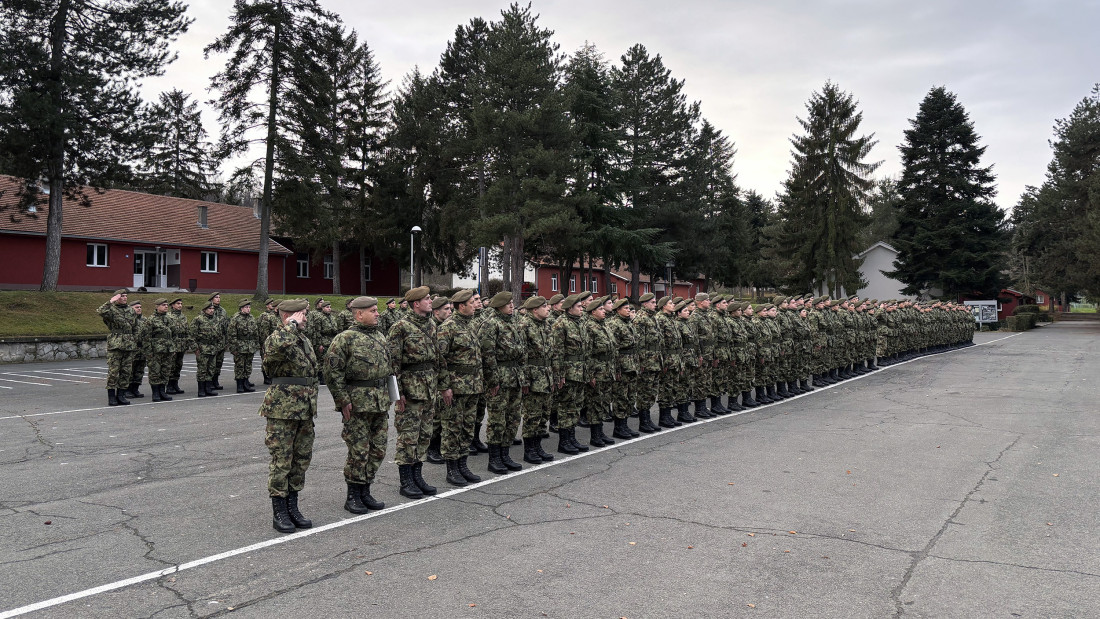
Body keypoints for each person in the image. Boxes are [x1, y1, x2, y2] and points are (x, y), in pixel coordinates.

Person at [325, 296, 391, 513]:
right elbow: (333, 373)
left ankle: (366, 489)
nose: (377, 313)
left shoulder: (381, 336)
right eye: (373, 310)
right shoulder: (345, 339)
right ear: (359, 314)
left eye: (377, 310)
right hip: (358, 405)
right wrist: (342, 401)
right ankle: (353, 494)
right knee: (358, 451)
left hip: (380, 403)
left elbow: (388, 371)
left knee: (378, 449)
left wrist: (393, 396)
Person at [260, 298, 318, 533]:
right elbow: (274, 349)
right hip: (282, 410)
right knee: (281, 461)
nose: (307, 317)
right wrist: (290, 325)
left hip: (304, 409)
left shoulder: (302, 339)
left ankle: (293, 506)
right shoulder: (278, 337)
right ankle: (279, 511)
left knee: (300, 460)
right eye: (303, 314)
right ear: (289, 317)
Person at [388, 286, 441, 499]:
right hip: (410, 390)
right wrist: (397, 393)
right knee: (408, 436)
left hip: (429, 388)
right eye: (427, 299)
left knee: (424, 435)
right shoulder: (400, 327)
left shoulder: (430, 325)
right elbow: (393, 363)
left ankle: (418, 476)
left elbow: (437, 358)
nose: (431, 301)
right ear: (416, 303)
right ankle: (406, 480)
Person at [435, 289, 485, 486]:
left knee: (467, 427)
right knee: (452, 428)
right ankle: (452, 469)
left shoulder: (471, 324)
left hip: (473, 386)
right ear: (461, 306)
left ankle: (463, 465)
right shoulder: (448, 327)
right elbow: (440, 360)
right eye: (472, 302)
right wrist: (445, 387)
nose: (475, 305)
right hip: (455, 387)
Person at [479, 291, 528, 473]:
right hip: (500, 376)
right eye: (508, 304)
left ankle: (505, 454)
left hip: (514, 376)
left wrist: (522, 376)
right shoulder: (491, 324)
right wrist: (492, 381)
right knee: (497, 419)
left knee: (513, 418)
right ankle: (494, 458)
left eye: (512, 303)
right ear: (499, 305)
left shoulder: (513, 322)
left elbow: (522, 351)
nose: (512, 306)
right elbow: (487, 355)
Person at [550, 294, 589, 454]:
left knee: (576, 405)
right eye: (579, 306)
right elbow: (557, 352)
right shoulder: (561, 324)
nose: (582, 309)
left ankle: (572, 438)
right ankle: (564, 441)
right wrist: (559, 374)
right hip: (568, 372)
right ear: (570, 308)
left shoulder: (579, 323)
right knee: (566, 406)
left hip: (580, 371)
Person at [518, 296, 555, 464]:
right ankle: (529, 450)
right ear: (535, 310)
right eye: (544, 306)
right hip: (533, 377)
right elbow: (522, 356)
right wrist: (524, 380)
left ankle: (538, 446)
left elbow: (553, 352)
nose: (548, 308)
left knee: (543, 414)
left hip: (546, 375)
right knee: (532, 415)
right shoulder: (524, 326)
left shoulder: (546, 325)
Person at [583, 296, 618, 447]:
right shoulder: (589, 327)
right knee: (595, 403)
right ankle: (595, 436)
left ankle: (600, 432)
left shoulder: (604, 325)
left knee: (603, 402)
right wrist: (590, 374)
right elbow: (587, 353)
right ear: (592, 312)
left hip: (606, 369)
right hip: (596, 371)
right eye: (601, 309)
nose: (604, 311)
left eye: (604, 309)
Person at [425, 296, 454, 464]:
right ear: (436, 311)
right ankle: (432, 448)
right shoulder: (432, 327)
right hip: (433, 378)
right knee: (435, 415)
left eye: (450, 309)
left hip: (445, 375)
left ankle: (440, 446)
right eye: (446, 309)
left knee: (444, 414)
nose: (449, 312)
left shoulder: (444, 326)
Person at [97, 289, 136, 406]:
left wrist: (136, 340)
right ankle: (111, 396)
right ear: (116, 297)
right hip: (116, 344)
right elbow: (101, 311)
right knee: (114, 371)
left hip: (129, 343)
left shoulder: (130, 310)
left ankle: (121, 395)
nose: (124, 298)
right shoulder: (111, 309)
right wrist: (110, 301)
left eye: (125, 296)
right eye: (122, 296)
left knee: (126, 371)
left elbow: (135, 326)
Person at [139, 298, 175, 402]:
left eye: (167, 305)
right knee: (155, 372)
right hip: (155, 351)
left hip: (167, 350)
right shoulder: (151, 320)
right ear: (157, 306)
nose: (166, 307)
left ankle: (162, 391)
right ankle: (155, 393)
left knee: (165, 371)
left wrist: (172, 348)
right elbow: (145, 337)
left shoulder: (169, 319)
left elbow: (173, 334)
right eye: (163, 305)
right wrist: (149, 352)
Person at [190, 301, 222, 397]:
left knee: (211, 369)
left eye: (213, 309)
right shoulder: (198, 320)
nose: (212, 310)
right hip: (202, 348)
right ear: (204, 310)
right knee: (202, 369)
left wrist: (218, 346)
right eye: (210, 309)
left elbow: (219, 335)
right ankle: (201, 390)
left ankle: (208, 388)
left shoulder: (216, 320)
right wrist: (195, 349)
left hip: (213, 348)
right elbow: (191, 336)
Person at [227, 298, 260, 393]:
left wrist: (256, 344)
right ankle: (240, 385)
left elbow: (255, 333)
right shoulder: (236, 318)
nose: (248, 309)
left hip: (250, 346)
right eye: (246, 307)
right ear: (241, 308)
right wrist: (233, 347)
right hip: (240, 346)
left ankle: (246, 383)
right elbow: (232, 334)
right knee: (240, 366)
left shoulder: (251, 318)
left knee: (248, 366)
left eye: (249, 307)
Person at [166, 298, 190, 394]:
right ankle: (169, 386)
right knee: (171, 366)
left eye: (181, 303)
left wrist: (187, 344)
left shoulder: (183, 317)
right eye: (178, 303)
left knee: (178, 365)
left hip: (182, 344)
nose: (180, 305)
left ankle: (175, 384)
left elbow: (187, 330)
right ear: (172, 305)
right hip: (173, 344)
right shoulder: (168, 316)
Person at [126, 299, 147, 400]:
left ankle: (135, 388)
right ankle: (127, 390)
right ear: (131, 309)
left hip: (142, 349)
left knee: (139, 370)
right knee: (129, 370)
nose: (139, 309)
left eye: (140, 307)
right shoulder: (128, 320)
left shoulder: (144, 320)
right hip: (132, 348)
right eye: (136, 307)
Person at [208, 292, 229, 391]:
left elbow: (226, 325)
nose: (218, 299)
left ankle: (216, 380)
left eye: (219, 297)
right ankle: (210, 382)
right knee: (211, 362)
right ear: (211, 299)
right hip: (211, 341)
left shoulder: (223, 311)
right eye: (216, 297)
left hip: (221, 340)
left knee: (219, 362)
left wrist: (227, 340)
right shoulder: (207, 309)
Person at [257, 298, 280, 385]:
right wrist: (265, 343)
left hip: (276, 342)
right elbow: (264, 332)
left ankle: (272, 376)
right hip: (269, 342)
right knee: (266, 360)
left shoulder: (278, 317)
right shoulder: (266, 316)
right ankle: (266, 377)